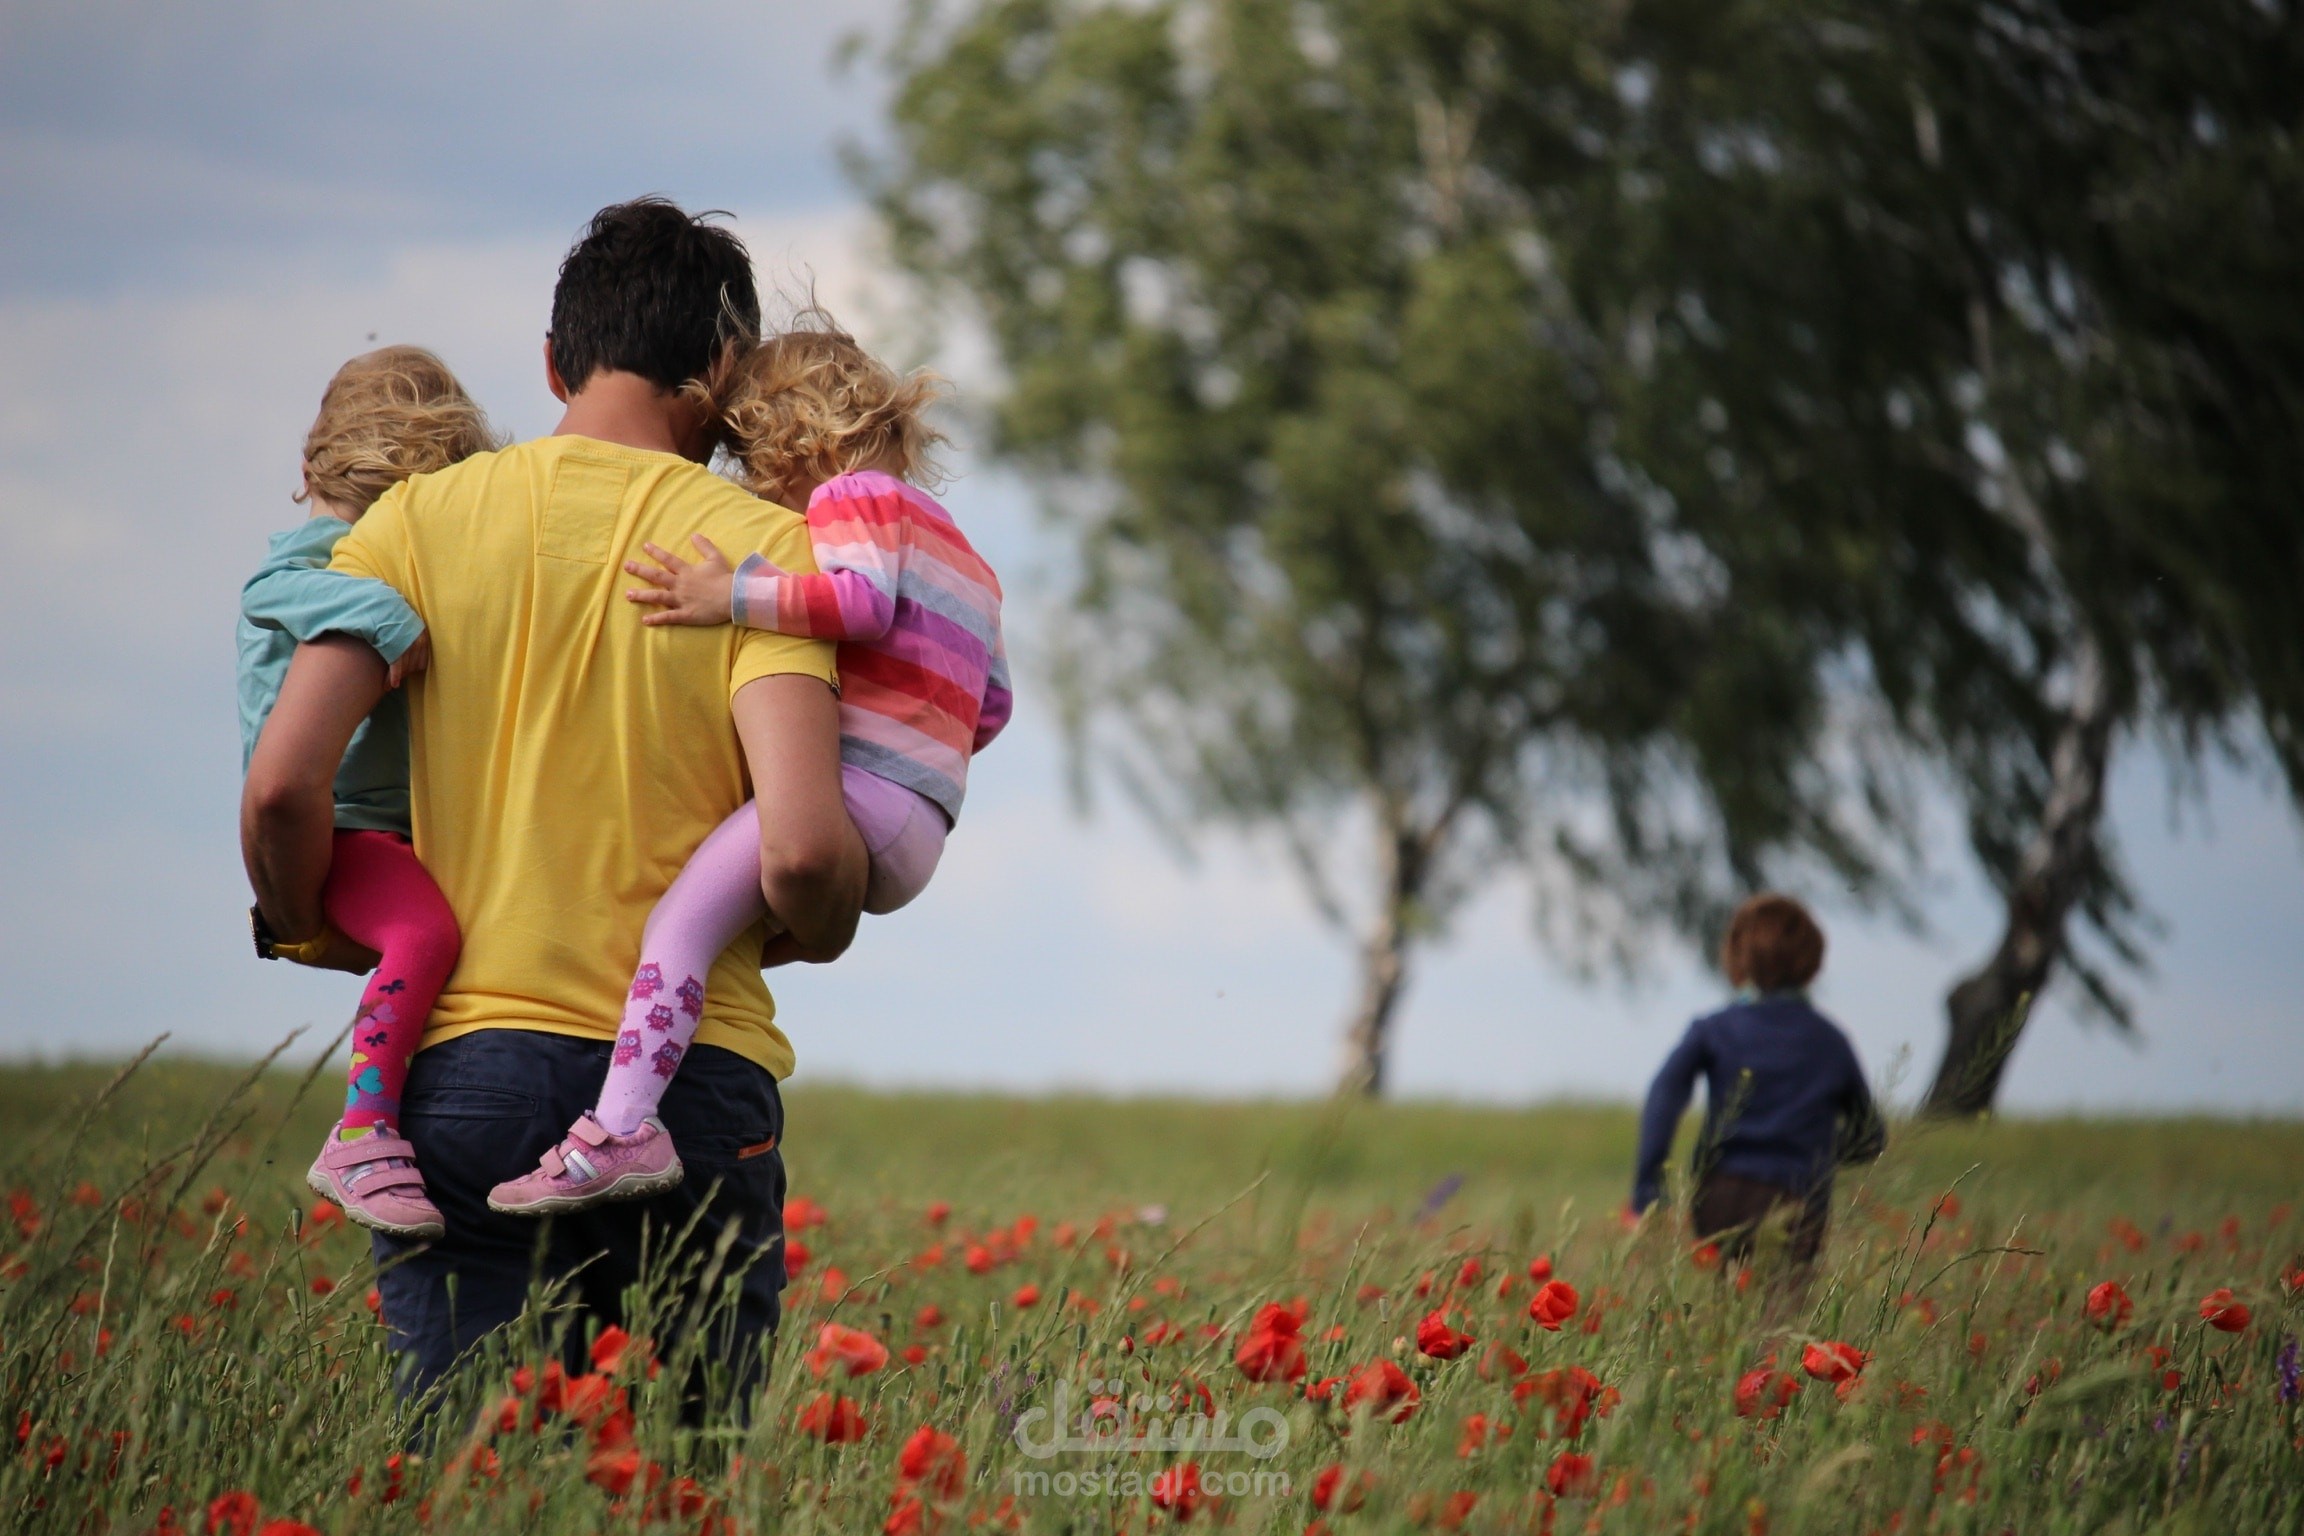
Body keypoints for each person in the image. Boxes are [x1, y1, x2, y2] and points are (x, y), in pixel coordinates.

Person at [241, 197, 867, 1394]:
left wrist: (312, 921)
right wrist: (822, 925)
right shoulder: (761, 554)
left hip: (464, 1070)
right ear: (724, 370)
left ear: (551, 361)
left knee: (472, 1479)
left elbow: (281, 787)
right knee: (684, 1480)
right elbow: (798, 851)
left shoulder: (410, 525)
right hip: (691, 1085)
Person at [488, 315, 1012, 1214]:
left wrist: (727, 594)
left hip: (859, 796)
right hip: (923, 821)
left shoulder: (854, 500)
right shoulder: (967, 555)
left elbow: (857, 604)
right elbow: (992, 706)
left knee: (677, 928)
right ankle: (648, 1082)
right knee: (721, 935)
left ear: (794, 437)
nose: (753, 483)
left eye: (752, 457)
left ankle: (620, 1129)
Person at [238, 346, 498, 1239]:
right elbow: (272, 588)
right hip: (345, 827)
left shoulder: (359, 545)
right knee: (425, 933)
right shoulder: (319, 558)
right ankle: (364, 1129)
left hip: (388, 828)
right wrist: (387, 615)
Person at [1628, 893, 1885, 1269]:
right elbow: (1870, 1136)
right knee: (1782, 1317)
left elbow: (1663, 1097)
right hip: (1797, 1198)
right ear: (1811, 962)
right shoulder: (1831, 1042)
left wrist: (1648, 1191)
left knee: (1728, 1307)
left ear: (1737, 957)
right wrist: (1816, 1152)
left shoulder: (1713, 1030)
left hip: (1720, 1194)